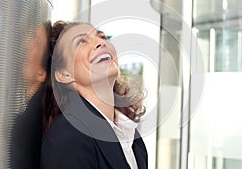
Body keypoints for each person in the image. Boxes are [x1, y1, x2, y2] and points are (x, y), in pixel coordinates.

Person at [41, 20, 148, 169]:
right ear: (64, 74)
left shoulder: (132, 136)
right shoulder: (67, 137)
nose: (100, 43)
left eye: (102, 37)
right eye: (81, 42)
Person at [10, 21, 51, 169]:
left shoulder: (27, 124)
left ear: (41, 73)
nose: (27, 44)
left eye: (35, 42)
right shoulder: (48, 114)